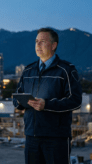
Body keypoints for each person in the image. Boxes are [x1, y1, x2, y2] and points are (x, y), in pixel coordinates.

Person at [13, 28, 82, 164]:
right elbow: (16, 98)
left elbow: (75, 101)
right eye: (36, 41)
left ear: (53, 45)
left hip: (56, 139)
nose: (38, 45)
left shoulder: (66, 70)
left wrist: (47, 104)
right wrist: (21, 102)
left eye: (42, 42)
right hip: (31, 136)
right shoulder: (28, 70)